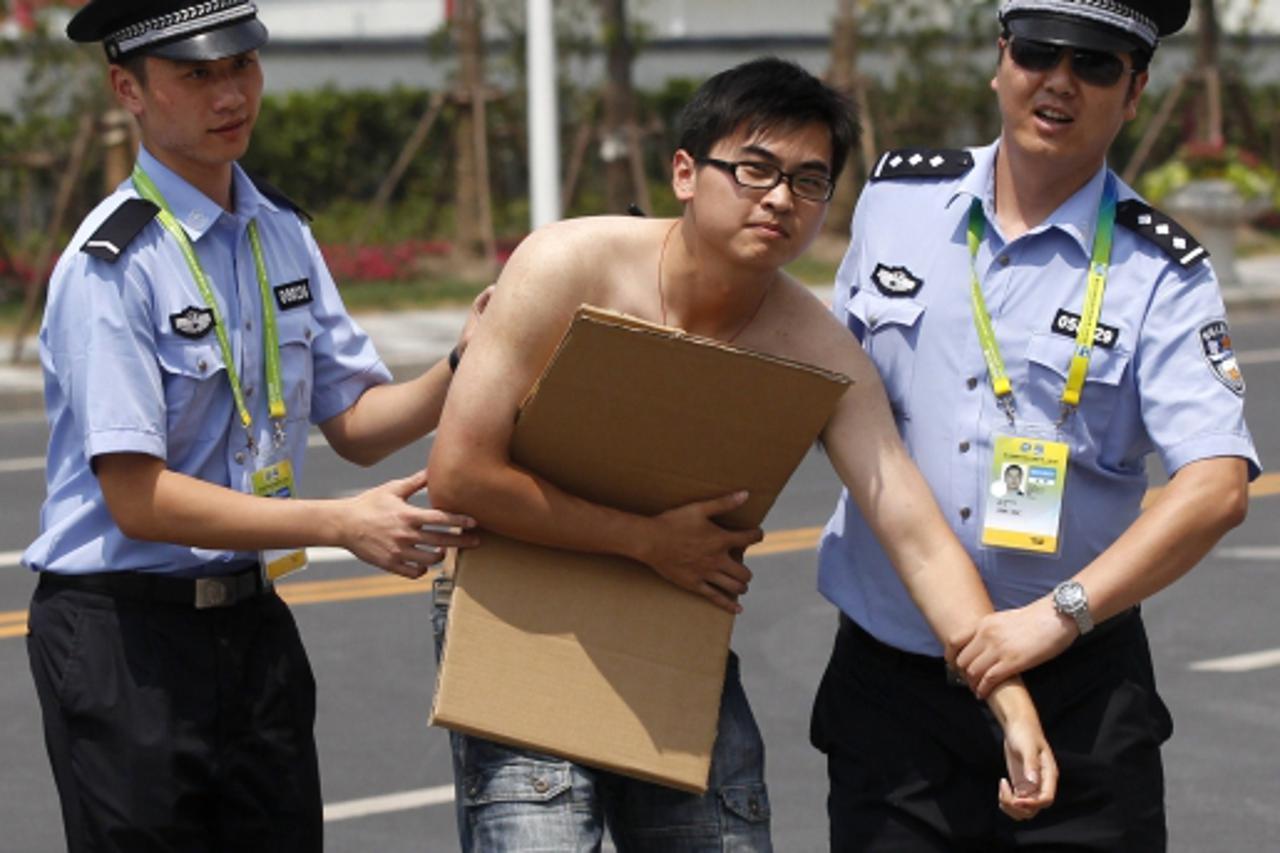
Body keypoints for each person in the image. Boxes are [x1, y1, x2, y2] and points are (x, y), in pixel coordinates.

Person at [427, 56, 1057, 852]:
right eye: (755, 169)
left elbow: (914, 528)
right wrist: (646, 540)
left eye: (808, 180)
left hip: (673, 626)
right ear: (686, 172)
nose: (780, 198)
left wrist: (1010, 701)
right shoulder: (567, 265)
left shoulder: (817, 348)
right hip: (522, 609)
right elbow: (460, 473)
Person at [22, 2, 486, 850]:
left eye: (240, 66)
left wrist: (465, 364)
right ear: (128, 87)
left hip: (250, 623)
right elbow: (139, 499)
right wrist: (341, 523)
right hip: (125, 637)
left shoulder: (281, 230)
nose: (229, 93)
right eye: (196, 75)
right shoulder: (111, 267)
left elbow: (353, 420)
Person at [813, 1, 1259, 849]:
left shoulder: (1161, 271)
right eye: (1039, 52)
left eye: (1094, 64)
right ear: (1000, 59)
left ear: (1135, 93)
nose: (1059, 80)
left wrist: (1059, 614)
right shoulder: (898, 202)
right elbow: (813, 380)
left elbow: (1215, 486)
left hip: (1077, 684)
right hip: (891, 687)